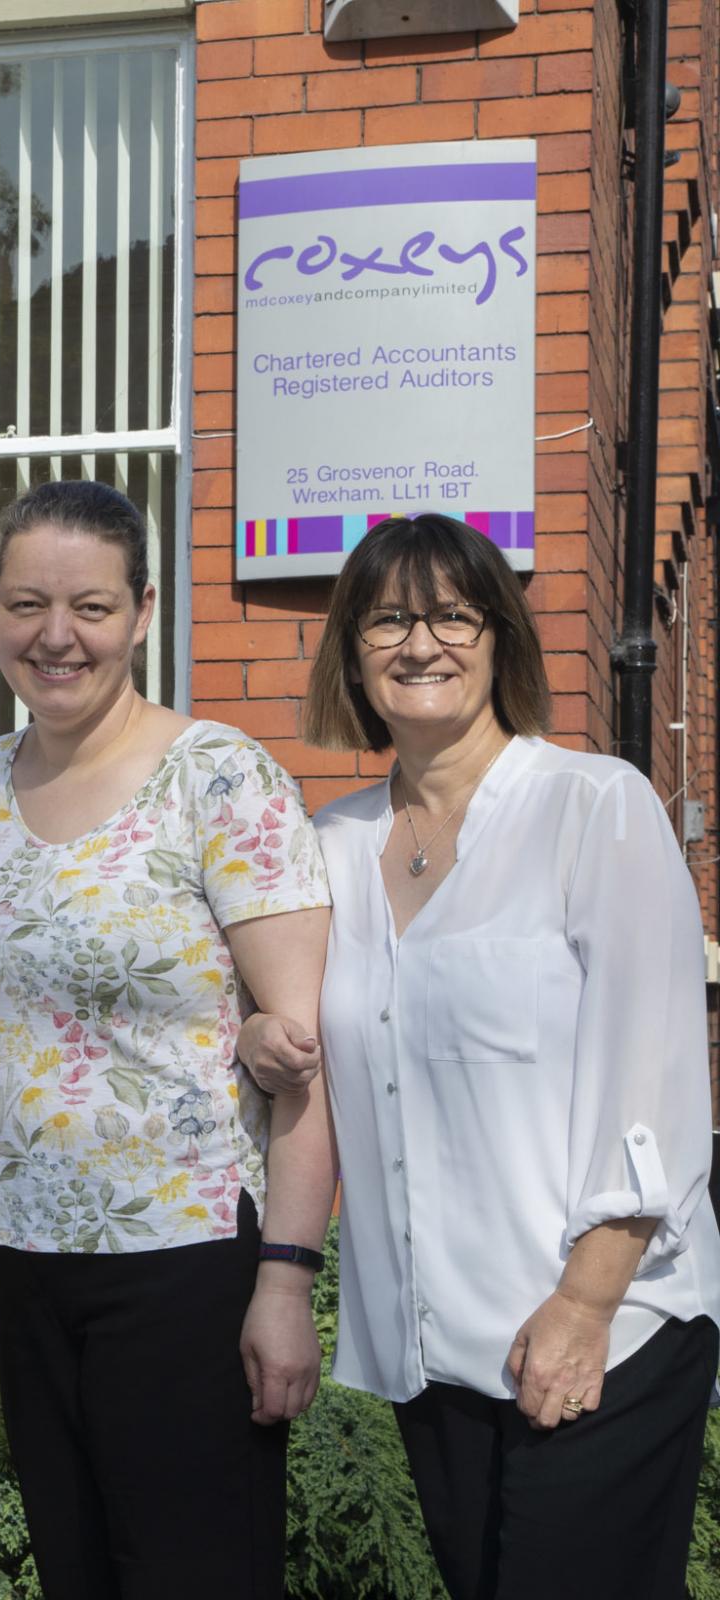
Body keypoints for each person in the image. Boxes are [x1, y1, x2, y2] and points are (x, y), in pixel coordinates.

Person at [0, 480, 337, 1600]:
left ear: (144, 608)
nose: (56, 635)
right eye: (27, 604)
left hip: (186, 1259)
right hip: (25, 1254)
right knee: (77, 1574)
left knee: (192, 1578)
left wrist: (285, 1281)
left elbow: (309, 1059)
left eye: (90, 606)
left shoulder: (220, 779)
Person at [279, 512, 720, 1600]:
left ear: (500, 639)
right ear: (351, 652)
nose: (419, 642)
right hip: (436, 1345)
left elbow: (655, 1077)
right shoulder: (328, 845)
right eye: (387, 618)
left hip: (604, 1326)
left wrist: (585, 1302)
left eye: (452, 614)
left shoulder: (592, 805)